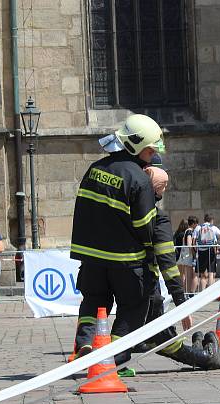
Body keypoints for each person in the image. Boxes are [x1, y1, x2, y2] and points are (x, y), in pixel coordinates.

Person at [70, 113, 162, 363]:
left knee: (93, 301)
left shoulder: (95, 169)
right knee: (133, 305)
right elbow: (145, 225)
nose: (152, 156)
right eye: (151, 151)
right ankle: (115, 356)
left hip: (92, 257)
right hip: (126, 259)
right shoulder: (139, 178)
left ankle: (85, 344)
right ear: (139, 148)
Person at [116, 166, 220, 371]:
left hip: (124, 279)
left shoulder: (122, 211)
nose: (165, 191)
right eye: (163, 186)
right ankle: (202, 358)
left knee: (129, 319)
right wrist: (183, 306)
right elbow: (167, 263)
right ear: (156, 189)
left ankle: (117, 359)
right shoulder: (157, 217)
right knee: (158, 332)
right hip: (145, 283)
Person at [192, 214, 220, 291]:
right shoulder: (213, 228)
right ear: (211, 220)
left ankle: (202, 292)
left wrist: (195, 250)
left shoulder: (198, 227)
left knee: (202, 274)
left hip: (201, 251)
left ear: (204, 220)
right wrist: (218, 245)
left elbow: (193, 241)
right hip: (211, 251)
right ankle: (210, 292)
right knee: (211, 273)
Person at [178, 216, 199, 295]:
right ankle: (187, 293)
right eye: (196, 223)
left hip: (184, 255)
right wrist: (193, 253)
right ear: (193, 224)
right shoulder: (189, 231)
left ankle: (184, 292)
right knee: (188, 275)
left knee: (185, 275)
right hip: (188, 256)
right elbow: (189, 244)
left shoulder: (186, 231)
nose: (196, 225)